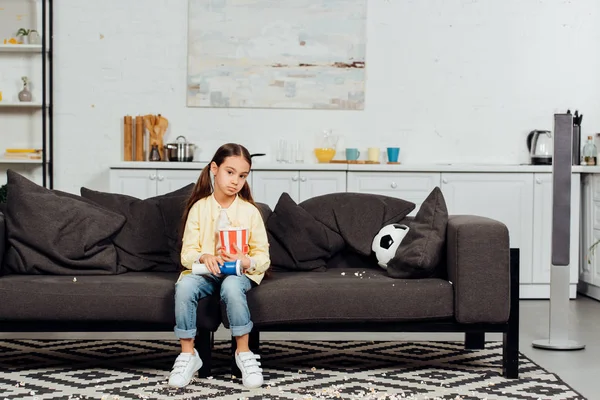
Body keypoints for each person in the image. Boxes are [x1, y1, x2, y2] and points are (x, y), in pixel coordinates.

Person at [168, 143, 270, 389]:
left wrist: (246, 260)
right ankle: (188, 355)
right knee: (184, 287)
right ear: (215, 169)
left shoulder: (249, 212)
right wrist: (204, 256)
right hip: (205, 273)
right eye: (230, 172)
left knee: (233, 288)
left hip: (238, 272)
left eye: (243, 176)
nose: (236, 181)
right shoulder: (199, 208)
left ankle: (243, 353)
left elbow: (262, 257)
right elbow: (187, 254)